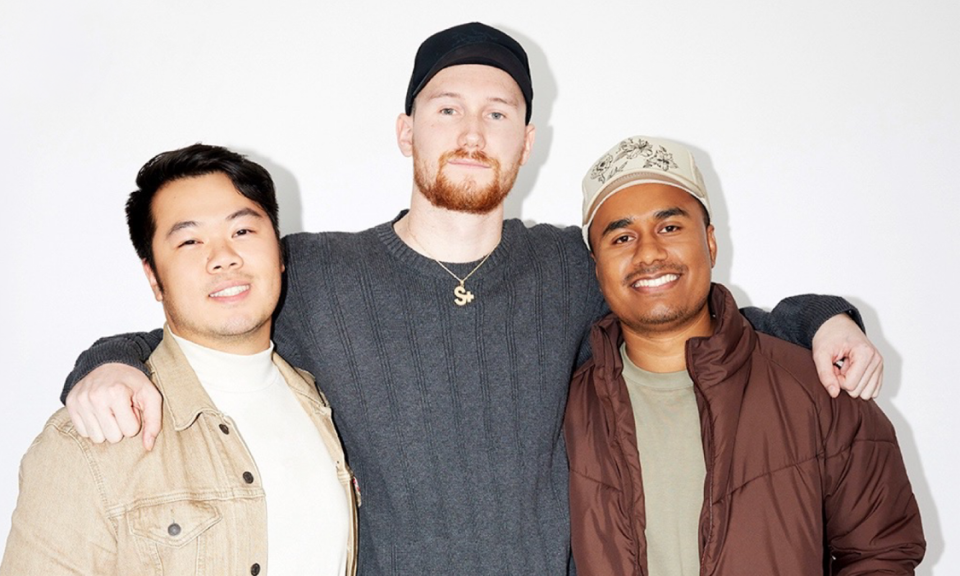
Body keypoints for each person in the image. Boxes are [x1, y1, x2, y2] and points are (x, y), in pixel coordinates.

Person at [59, 24, 883, 575]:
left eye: (498, 113)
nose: (471, 132)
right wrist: (104, 366)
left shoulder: (568, 264)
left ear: (527, 141)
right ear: (405, 129)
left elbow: (697, 313)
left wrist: (823, 317)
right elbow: (200, 324)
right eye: (446, 109)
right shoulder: (317, 274)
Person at [566, 135, 924, 574]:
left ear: (711, 243)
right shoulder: (564, 410)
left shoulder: (818, 391)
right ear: (597, 268)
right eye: (621, 237)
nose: (650, 253)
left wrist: (825, 316)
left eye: (670, 227)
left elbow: (881, 553)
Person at [0, 145, 357, 575]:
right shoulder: (92, 437)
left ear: (279, 255)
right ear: (154, 277)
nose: (223, 257)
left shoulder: (320, 401)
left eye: (243, 231)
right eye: (190, 241)